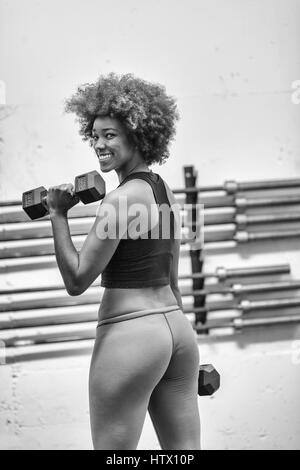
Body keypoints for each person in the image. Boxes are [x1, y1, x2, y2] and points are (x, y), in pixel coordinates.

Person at [46, 73, 200, 450]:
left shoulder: (119, 200)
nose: (98, 144)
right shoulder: (168, 193)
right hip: (178, 336)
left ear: (137, 134)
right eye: (95, 136)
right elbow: (174, 281)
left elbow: (77, 280)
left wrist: (57, 214)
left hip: (130, 337)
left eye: (110, 135)